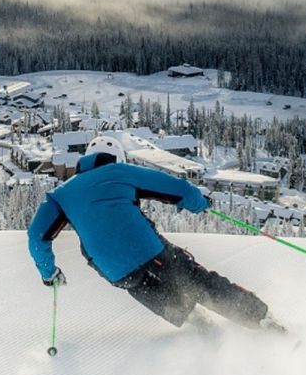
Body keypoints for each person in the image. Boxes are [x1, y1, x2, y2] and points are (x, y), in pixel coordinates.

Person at [27, 136, 278, 331]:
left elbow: (37, 237)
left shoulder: (59, 195)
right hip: (147, 249)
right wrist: (199, 203)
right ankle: (260, 319)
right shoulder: (118, 172)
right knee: (197, 282)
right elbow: (173, 187)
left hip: (113, 271)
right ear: (117, 157)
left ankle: (199, 326)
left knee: (143, 287)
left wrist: (50, 274)